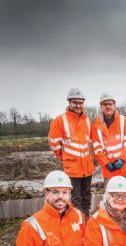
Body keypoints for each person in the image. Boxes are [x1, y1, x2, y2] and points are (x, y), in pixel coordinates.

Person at [48, 88, 95, 217]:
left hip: (87, 168)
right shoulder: (60, 120)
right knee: (75, 199)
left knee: (87, 197)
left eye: (80, 103)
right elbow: (53, 142)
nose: (78, 105)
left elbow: (91, 141)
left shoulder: (87, 120)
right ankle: (76, 222)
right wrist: (64, 157)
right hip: (72, 168)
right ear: (69, 102)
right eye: (75, 102)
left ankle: (85, 221)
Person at [91, 92, 126, 192]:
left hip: (125, 168)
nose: (108, 106)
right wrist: (106, 163)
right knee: (110, 198)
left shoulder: (123, 121)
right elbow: (97, 149)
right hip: (109, 170)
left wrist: (122, 159)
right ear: (101, 107)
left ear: (114, 105)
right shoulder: (96, 126)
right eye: (105, 104)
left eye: (110, 104)